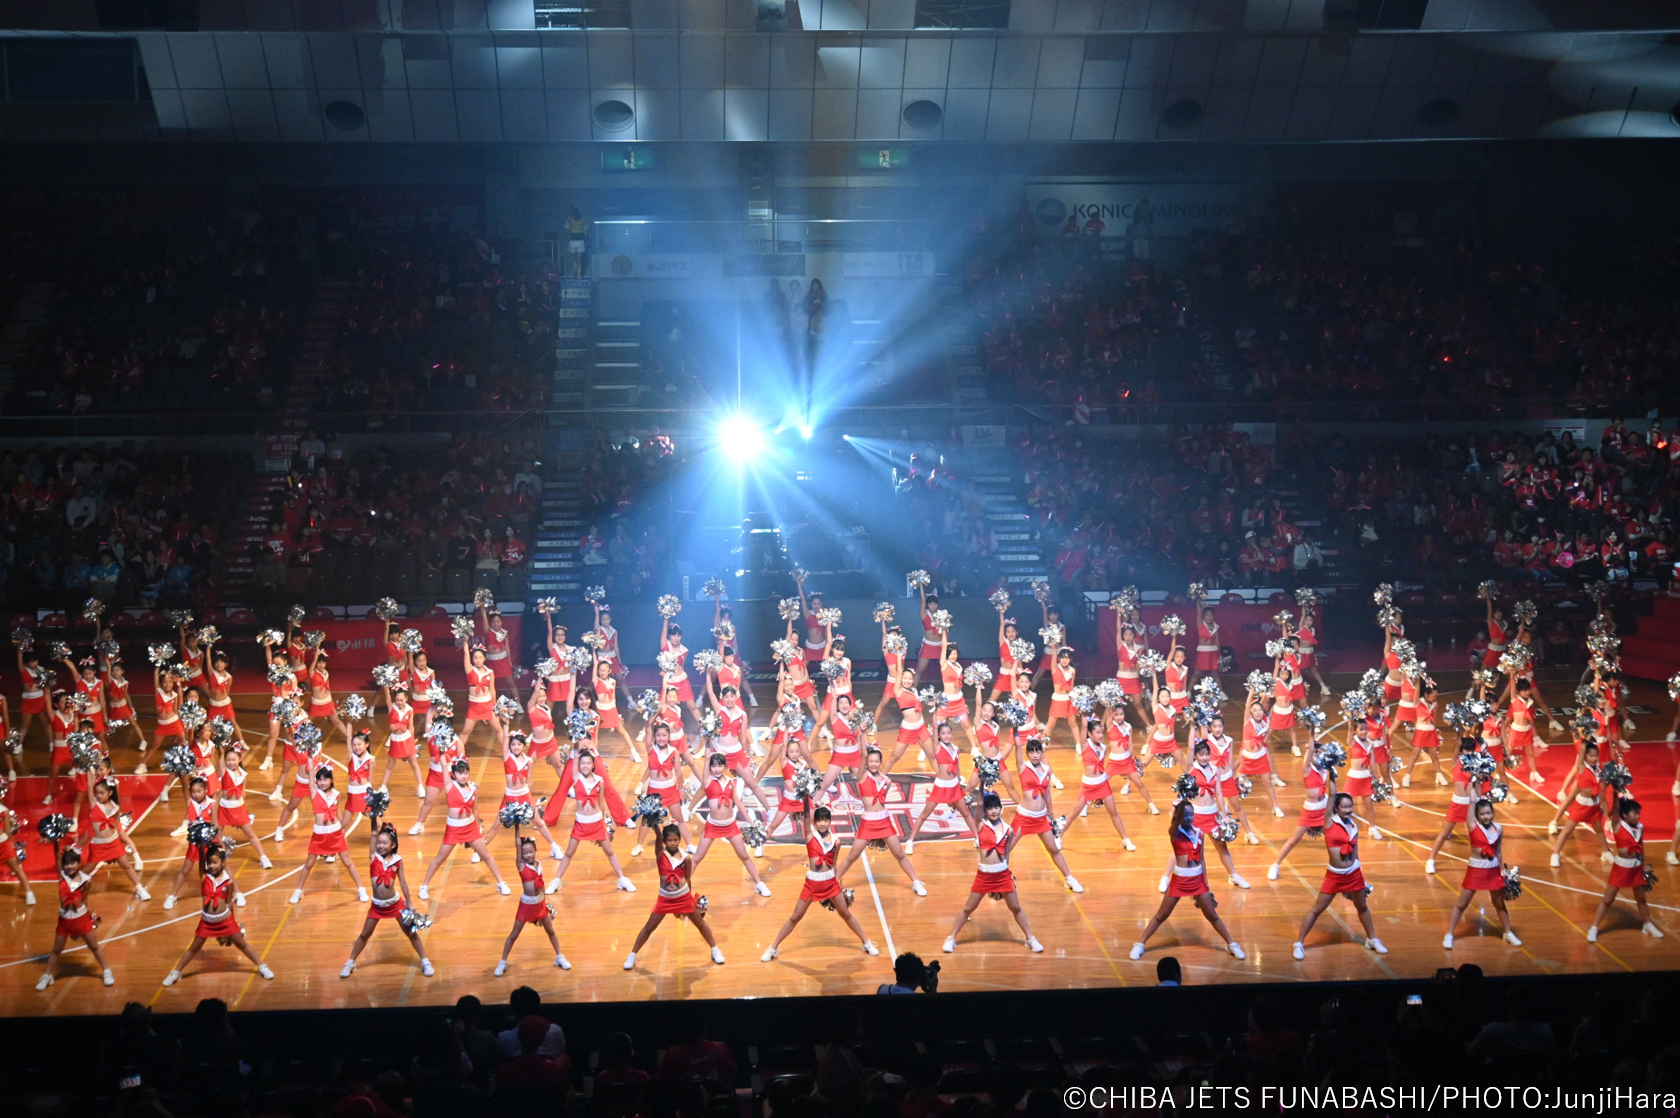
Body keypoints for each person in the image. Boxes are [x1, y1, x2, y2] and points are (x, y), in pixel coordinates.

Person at [1129, 799, 1245, 961]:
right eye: (1185, 815)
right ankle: (1139, 944)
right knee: (1161, 915)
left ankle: (1231, 944)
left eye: (1191, 814)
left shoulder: (1199, 833)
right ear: (1178, 816)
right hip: (1179, 880)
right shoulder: (1175, 832)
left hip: (1197, 880)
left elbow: (1202, 860)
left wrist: (1207, 884)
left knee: (1212, 915)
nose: (1189, 817)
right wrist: (1179, 808)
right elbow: (1174, 825)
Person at [760, 801, 879, 960]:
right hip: (812, 883)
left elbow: (834, 864)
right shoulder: (810, 836)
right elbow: (806, 817)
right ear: (814, 822)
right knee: (795, 916)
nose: (822, 823)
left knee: (845, 913)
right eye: (819, 820)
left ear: (830, 821)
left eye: (826, 820)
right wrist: (806, 796)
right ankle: (773, 948)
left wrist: (838, 885)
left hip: (830, 883)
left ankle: (866, 942)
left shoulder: (837, 841)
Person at [160, 843, 276, 986]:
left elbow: (229, 903)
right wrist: (201, 846)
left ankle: (262, 966)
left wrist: (232, 924)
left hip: (226, 920)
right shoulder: (205, 877)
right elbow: (201, 863)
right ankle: (176, 973)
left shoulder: (229, 882)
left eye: (215, 862)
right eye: (209, 863)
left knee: (242, 944)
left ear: (223, 863)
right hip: (207, 921)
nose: (211, 866)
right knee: (194, 948)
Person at [942, 792, 1043, 954]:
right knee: (968, 908)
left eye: (996, 807)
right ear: (985, 811)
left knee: (1016, 907)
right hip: (984, 875)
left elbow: (1007, 854)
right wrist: (982, 782)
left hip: (1003, 875)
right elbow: (978, 808)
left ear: (1001, 809)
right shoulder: (981, 826)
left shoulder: (1009, 830)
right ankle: (951, 938)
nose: (994, 811)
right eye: (990, 808)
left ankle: (1030, 939)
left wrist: (1008, 873)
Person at [1291, 794, 1388, 959]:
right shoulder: (1329, 822)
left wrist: (1360, 874)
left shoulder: (1354, 826)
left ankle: (1372, 939)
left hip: (1354, 874)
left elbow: (1355, 854)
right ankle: (1299, 943)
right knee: (1317, 909)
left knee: (1362, 907)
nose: (1348, 810)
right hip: (1335, 876)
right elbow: (1331, 795)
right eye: (1344, 806)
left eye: (1350, 806)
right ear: (1335, 807)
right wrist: (1332, 774)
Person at [342, 818, 433, 977]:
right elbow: (373, 834)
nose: (381, 846)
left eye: (385, 843)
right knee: (364, 934)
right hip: (377, 905)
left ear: (393, 845)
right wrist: (374, 815)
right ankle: (350, 962)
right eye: (379, 842)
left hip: (395, 904)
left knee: (411, 933)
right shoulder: (374, 858)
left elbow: (403, 883)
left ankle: (425, 962)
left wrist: (410, 904)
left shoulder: (398, 861)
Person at [625, 824, 725, 969]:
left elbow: (688, 878)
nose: (672, 843)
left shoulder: (686, 858)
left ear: (679, 840)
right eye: (669, 840)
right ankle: (632, 955)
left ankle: (715, 949)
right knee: (649, 927)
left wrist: (690, 899)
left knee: (700, 924)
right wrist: (656, 827)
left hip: (683, 897)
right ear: (665, 841)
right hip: (664, 898)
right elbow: (658, 837)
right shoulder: (660, 854)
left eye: (675, 839)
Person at [833, 747, 926, 895]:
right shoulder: (862, 776)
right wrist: (862, 733)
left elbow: (881, 801)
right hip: (868, 823)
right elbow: (861, 755)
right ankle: (833, 882)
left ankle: (916, 882)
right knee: (852, 855)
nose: (873, 764)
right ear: (866, 763)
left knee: (899, 854)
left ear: (881, 762)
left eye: (876, 761)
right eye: (870, 761)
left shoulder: (886, 781)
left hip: (884, 821)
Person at [418, 759, 511, 899]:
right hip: (453, 829)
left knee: (486, 855)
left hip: (470, 828)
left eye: (466, 773)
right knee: (439, 858)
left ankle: (501, 882)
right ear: (454, 774)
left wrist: (479, 829)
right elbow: (444, 765)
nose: (463, 776)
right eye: (460, 773)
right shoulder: (450, 786)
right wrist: (442, 751)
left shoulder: (474, 788)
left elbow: (476, 810)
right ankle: (424, 885)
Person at [547, 749, 635, 894]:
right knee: (569, 853)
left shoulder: (600, 781)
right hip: (581, 823)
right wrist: (575, 738)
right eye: (582, 763)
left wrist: (605, 823)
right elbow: (575, 756)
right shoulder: (576, 778)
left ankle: (622, 879)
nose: (585, 766)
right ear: (579, 765)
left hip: (597, 822)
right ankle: (556, 881)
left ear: (594, 764)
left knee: (609, 851)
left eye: (588, 763)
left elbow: (601, 804)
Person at [688, 752, 773, 895]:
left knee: (744, 856)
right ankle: (682, 887)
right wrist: (708, 741)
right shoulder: (707, 781)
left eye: (720, 765)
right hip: (712, 826)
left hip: (730, 825)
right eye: (713, 766)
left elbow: (738, 803)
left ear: (725, 766)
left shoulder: (731, 782)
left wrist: (750, 821)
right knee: (697, 857)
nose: (717, 769)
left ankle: (759, 884)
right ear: (709, 768)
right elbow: (707, 757)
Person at [1443, 800, 1522, 949]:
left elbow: (1498, 852)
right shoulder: (1473, 826)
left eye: (1488, 813)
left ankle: (1507, 932)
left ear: (1492, 813)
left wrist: (1501, 873)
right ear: (1477, 816)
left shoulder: (1498, 829)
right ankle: (1449, 934)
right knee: (1462, 903)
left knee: (1499, 903)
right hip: (1476, 870)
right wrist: (1475, 780)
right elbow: (1472, 802)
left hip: (1492, 870)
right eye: (1482, 814)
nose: (1486, 816)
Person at [36, 847, 116, 990]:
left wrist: (89, 916)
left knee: (94, 946)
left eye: (73, 863)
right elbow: (57, 857)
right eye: (67, 863)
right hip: (65, 920)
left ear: (80, 864)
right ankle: (46, 976)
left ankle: (106, 971)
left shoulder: (87, 881)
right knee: (56, 949)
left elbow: (85, 900)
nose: (69, 866)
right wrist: (56, 842)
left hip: (81, 919)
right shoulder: (62, 877)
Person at [1011, 736, 1083, 893]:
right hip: (1023, 816)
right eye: (1032, 752)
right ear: (1028, 753)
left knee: (1054, 850)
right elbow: (1017, 747)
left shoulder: (1047, 770)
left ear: (1042, 752)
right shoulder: (1023, 767)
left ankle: (1069, 879)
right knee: (1006, 848)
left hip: (1041, 817)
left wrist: (1051, 815)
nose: (1035, 755)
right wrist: (1015, 730)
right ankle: (996, 880)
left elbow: (1048, 794)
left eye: (1038, 751)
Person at [1587, 798, 1665, 943]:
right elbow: (1615, 809)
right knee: (1608, 900)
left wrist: (1643, 869)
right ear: (1625, 814)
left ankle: (1647, 924)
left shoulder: (1640, 827)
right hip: (1621, 867)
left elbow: (1641, 848)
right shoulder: (1617, 825)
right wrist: (1616, 789)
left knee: (1641, 899)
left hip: (1635, 867)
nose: (1637, 815)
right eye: (1634, 813)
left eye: (1638, 813)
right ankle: (1594, 928)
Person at [288, 765, 368, 905]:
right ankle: (298, 890)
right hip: (319, 834)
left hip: (335, 833)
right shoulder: (314, 792)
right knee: (309, 864)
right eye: (320, 780)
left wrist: (344, 823)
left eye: (326, 779)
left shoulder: (337, 794)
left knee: (347, 862)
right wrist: (310, 756)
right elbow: (311, 776)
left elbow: (337, 813)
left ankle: (361, 889)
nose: (322, 782)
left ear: (331, 780)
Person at [495, 835, 572, 974]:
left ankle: (559, 956)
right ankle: (503, 962)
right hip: (526, 906)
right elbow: (518, 845)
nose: (528, 855)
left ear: (535, 851)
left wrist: (546, 902)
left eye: (531, 852)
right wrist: (517, 827)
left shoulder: (539, 865)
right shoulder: (521, 866)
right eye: (525, 853)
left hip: (540, 904)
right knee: (514, 935)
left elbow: (541, 887)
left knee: (551, 931)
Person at [1424, 737, 1494, 874]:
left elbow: (1478, 785)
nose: (1469, 752)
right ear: (1461, 751)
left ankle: (1487, 859)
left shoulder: (1476, 765)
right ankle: (1431, 860)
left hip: (1472, 805)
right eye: (1466, 750)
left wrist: (1483, 800)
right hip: (1458, 803)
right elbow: (1457, 744)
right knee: (1444, 832)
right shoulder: (1456, 762)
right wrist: (1458, 735)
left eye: (1471, 750)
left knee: (1480, 834)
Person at [1547, 740, 1613, 867]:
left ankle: (1605, 852)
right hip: (1581, 807)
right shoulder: (1581, 767)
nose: (1594, 759)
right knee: (1567, 830)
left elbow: (1603, 797)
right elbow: (1581, 750)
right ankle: (1555, 854)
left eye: (1595, 756)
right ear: (1585, 757)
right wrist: (1585, 739)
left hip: (1594, 807)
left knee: (1599, 831)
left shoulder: (1600, 771)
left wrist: (1608, 817)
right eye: (1590, 756)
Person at [496, 986, 567, 1059]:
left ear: (513, 1011)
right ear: (538, 1007)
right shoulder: (556, 1031)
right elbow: (562, 1054)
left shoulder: (504, 1038)